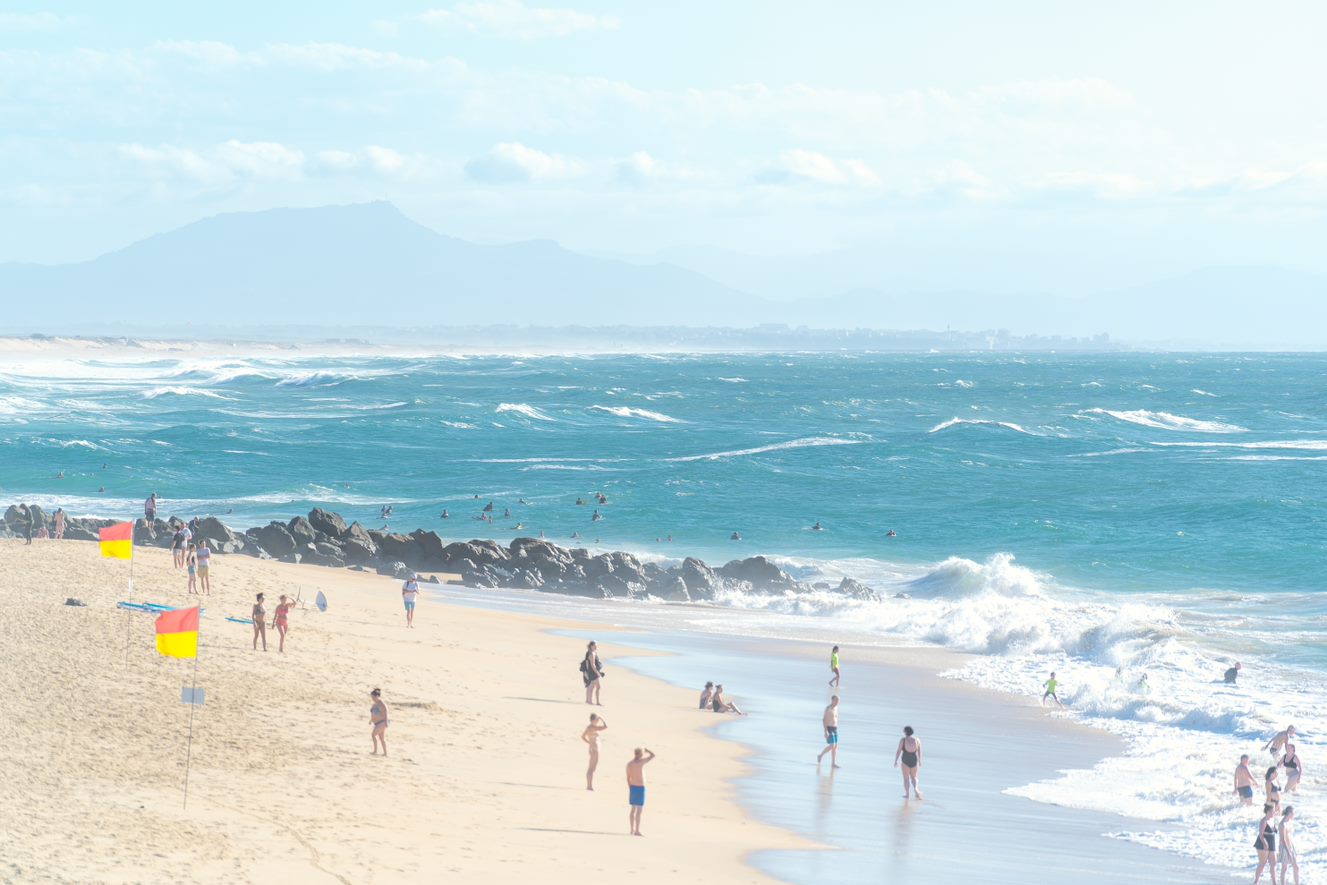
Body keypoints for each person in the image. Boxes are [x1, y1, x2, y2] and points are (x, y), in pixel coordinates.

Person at [625, 748, 655, 836]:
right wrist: (648, 750)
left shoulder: (629, 764)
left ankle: (632, 829)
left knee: (633, 809)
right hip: (640, 788)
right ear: (640, 754)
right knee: (639, 811)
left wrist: (630, 787)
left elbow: (628, 777)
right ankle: (637, 830)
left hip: (633, 787)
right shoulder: (641, 762)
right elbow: (653, 755)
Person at [894, 726, 923, 799]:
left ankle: (907, 794)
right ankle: (916, 788)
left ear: (905, 732)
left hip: (905, 760)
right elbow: (919, 751)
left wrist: (896, 761)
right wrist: (919, 761)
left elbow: (899, 751)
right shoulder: (917, 740)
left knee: (906, 778)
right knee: (914, 777)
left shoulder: (903, 740)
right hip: (914, 759)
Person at [581, 713, 608, 790]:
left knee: (592, 768)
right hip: (595, 748)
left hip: (592, 747)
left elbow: (583, 736)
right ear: (592, 720)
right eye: (596, 720)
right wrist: (602, 718)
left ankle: (589, 785)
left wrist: (589, 743)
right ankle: (589, 786)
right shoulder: (593, 727)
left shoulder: (589, 727)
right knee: (591, 769)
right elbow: (605, 726)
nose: (597, 721)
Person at [1253, 802, 1278, 885]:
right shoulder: (1264, 821)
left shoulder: (1272, 819)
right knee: (1263, 863)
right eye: (1273, 811)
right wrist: (1265, 843)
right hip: (1263, 842)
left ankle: (1274, 882)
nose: (1274, 812)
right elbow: (1260, 834)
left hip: (1272, 842)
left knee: (1274, 862)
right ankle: (1256, 881)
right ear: (1268, 811)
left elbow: (1274, 831)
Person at [817, 696, 840, 767]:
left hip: (835, 728)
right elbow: (824, 720)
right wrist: (825, 731)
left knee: (835, 746)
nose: (837, 702)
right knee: (832, 746)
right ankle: (820, 755)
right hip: (829, 728)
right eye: (836, 700)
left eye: (838, 701)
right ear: (832, 700)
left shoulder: (836, 708)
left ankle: (833, 763)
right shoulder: (828, 708)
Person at [1279, 805, 1299, 885]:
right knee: (1284, 868)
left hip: (1291, 846)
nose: (1294, 814)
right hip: (1285, 848)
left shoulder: (1289, 822)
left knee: (1296, 867)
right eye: (1293, 813)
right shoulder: (1282, 824)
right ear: (1290, 813)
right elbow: (1283, 840)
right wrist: (1288, 852)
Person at [370, 688, 389, 756]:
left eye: (373, 697)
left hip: (382, 722)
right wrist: (371, 720)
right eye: (371, 697)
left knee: (373, 735)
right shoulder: (375, 704)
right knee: (381, 738)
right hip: (378, 723)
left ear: (377, 696)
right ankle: (385, 753)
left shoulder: (381, 703)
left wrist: (386, 722)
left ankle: (375, 751)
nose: (372, 698)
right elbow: (373, 713)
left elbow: (386, 712)